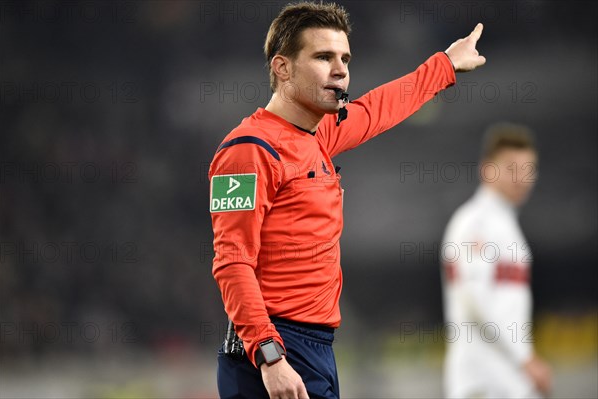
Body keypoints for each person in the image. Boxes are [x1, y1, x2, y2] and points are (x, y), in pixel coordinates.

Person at [209, 2, 485, 398]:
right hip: (273, 350)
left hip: (313, 348)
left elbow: (377, 108)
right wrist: (269, 357)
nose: (340, 69)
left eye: (345, 58)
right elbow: (232, 261)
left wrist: (444, 65)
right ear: (282, 68)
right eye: (323, 57)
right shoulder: (247, 151)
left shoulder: (315, 137)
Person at [440, 123, 553, 398]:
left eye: (529, 168)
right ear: (487, 169)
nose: (522, 177)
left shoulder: (504, 223)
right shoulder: (475, 222)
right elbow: (477, 299)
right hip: (483, 380)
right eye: (512, 167)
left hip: (507, 379)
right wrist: (525, 358)